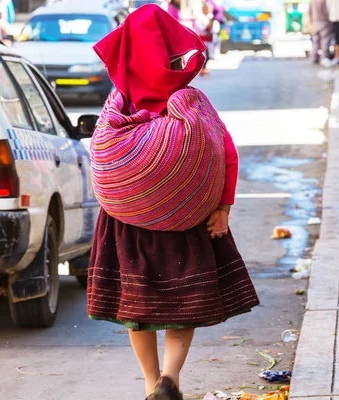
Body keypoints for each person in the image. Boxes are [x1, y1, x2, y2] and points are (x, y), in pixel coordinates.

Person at [88, 5, 260, 400]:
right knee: (184, 302)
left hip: (126, 224)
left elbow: (101, 155)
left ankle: (151, 385)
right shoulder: (190, 102)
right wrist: (223, 207)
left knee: (138, 309)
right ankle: (170, 378)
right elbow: (225, 153)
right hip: (188, 221)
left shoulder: (119, 105)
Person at [197, 1, 220, 75]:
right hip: (203, 39)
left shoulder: (211, 17)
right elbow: (199, 27)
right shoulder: (200, 17)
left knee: (210, 55)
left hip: (210, 40)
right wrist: (207, 28)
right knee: (203, 55)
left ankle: (204, 68)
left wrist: (212, 28)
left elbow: (216, 28)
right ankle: (202, 69)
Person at [309, 0, 333, 66]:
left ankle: (314, 57)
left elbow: (310, 11)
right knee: (325, 41)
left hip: (315, 22)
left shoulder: (313, 1)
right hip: (323, 22)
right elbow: (326, 11)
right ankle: (324, 58)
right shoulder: (323, 1)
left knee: (315, 42)